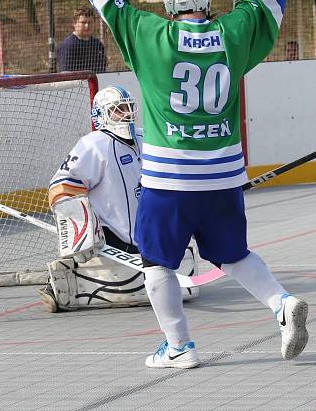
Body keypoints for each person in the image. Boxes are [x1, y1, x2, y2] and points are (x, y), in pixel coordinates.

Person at [49, 0, 312, 368]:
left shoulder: (152, 36)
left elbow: (109, 0)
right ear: (208, 0)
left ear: (169, 6)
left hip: (169, 182)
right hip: (224, 177)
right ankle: (280, 304)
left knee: (157, 264)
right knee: (233, 254)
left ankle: (179, 347)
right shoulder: (233, 33)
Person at [39, 85, 198, 312]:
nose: (126, 114)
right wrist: (81, 228)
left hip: (149, 233)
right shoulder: (93, 145)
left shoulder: (147, 137)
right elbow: (62, 185)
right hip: (115, 238)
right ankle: (62, 280)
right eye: (118, 109)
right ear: (101, 115)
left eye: (128, 108)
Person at [57, 7, 107, 73]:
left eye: (90, 22)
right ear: (74, 23)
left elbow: (102, 70)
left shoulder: (97, 44)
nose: (87, 26)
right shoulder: (68, 46)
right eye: (83, 22)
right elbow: (66, 75)